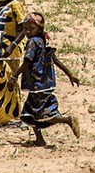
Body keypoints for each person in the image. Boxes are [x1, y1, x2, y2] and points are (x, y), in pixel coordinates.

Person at [18, 11, 82, 145]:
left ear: (39, 28)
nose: (28, 31)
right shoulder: (44, 41)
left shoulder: (33, 43)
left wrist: (14, 75)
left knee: (41, 113)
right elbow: (55, 60)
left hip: (37, 83)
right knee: (30, 112)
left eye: (32, 28)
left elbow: (27, 61)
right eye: (26, 29)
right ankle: (39, 139)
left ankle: (67, 120)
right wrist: (70, 75)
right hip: (45, 83)